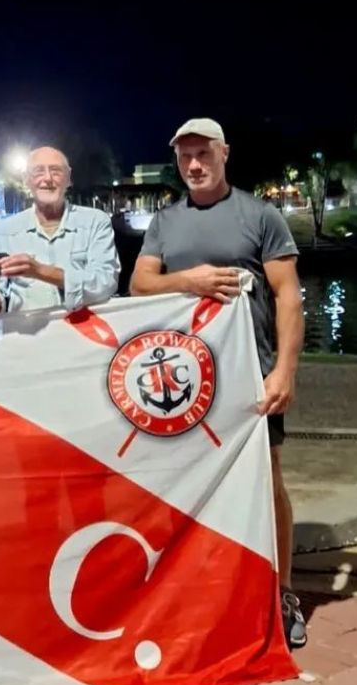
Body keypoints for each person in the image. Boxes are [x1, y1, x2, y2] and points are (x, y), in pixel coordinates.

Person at [129, 118, 307, 650]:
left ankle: (282, 594)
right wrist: (189, 280)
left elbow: (289, 297)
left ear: (224, 153)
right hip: (187, 380)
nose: (194, 165)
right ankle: (199, 590)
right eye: (185, 157)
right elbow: (140, 284)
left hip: (251, 374)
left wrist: (285, 371)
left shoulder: (260, 215)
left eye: (203, 153)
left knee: (267, 481)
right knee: (186, 484)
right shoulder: (166, 220)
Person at [0, 146, 119, 313]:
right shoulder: (3, 231)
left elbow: (106, 283)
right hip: (28, 335)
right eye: (38, 171)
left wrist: (40, 271)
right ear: (26, 180)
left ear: (68, 178)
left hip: (85, 333)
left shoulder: (95, 222)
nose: (47, 178)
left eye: (56, 171)